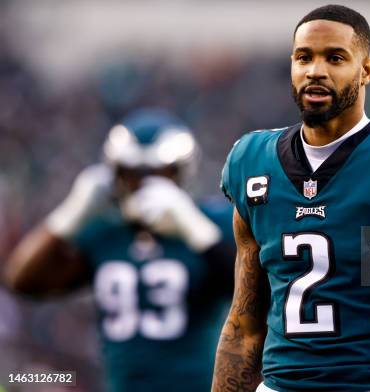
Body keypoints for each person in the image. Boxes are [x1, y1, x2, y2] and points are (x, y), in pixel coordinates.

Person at [213, 5, 370, 392]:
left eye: (335, 58)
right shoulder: (252, 161)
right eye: (304, 58)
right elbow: (245, 324)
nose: (316, 70)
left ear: (366, 70)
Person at [4, 108, 235, 391]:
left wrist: (195, 230)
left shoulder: (212, 223)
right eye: (132, 173)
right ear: (114, 173)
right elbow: (23, 281)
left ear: (182, 172)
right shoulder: (106, 231)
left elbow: (254, 291)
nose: (144, 184)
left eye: (160, 172)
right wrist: (71, 213)